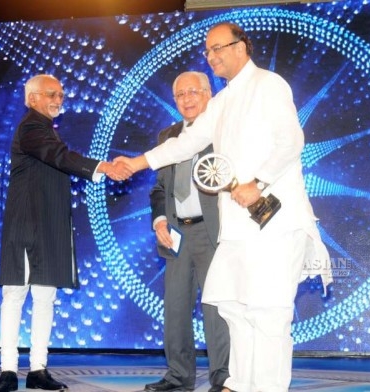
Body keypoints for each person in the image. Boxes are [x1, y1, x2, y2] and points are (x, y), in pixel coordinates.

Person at [115, 22, 332, 392]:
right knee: (235, 308)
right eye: (208, 51)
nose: (212, 56)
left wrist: (258, 181)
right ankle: (240, 384)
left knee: (267, 312)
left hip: (274, 223)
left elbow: (291, 140)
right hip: (236, 229)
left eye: (219, 48)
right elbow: (186, 143)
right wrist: (136, 163)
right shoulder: (224, 102)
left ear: (241, 47)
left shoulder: (269, 84)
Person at [0, 74, 132, 392]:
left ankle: (38, 369)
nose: (58, 100)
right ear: (32, 99)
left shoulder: (46, 129)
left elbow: (58, 159)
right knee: (14, 295)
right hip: (26, 226)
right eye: (51, 94)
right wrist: (103, 167)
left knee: (45, 298)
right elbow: (59, 157)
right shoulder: (31, 127)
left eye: (61, 96)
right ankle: (8, 370)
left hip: (50, 226)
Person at [145, 72, 230, 392]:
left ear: (210, 93)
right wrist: (159, 221)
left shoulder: (223, 132)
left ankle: (223, 379)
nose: (187, 99)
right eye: (180, 94)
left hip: (214, 232)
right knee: (176, 309)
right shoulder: (168, 136)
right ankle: (178, 377)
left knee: (216, 309)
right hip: (177, 234)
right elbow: (159, 191)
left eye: (194, 91)